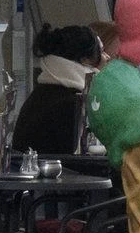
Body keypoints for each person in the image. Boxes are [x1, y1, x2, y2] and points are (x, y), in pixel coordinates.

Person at [10, 25, 106, 157]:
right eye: (101, 53)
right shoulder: (71, 103)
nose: (107, 58)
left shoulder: (44, 94)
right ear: (84, 59)